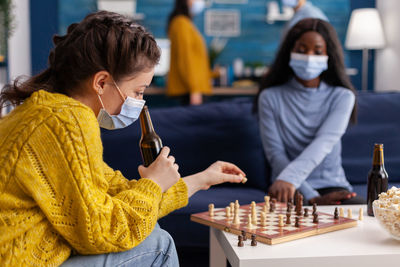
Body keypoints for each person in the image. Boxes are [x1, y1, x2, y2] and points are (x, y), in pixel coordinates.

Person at [0, 11, 247, 266]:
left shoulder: (49, 112)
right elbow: (102, 231)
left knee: (153, 234)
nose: (140, 103)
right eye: (138, 92)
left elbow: (114, 194)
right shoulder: (66, 121)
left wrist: (201, 179)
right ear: (101, 82)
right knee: (158, 245)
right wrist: (152, 184)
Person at [256, 18, 366, 205]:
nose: (309, 56)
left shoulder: (342, 97)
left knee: (364, 214)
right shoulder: (269, 97)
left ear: (328, 55)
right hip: (287, 187)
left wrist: (316, 196)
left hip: (332, 185)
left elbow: (324, 142)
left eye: (317, 51)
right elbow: (275, 154)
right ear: (289, 52)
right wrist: (311, 196)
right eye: (301, 50)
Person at [167, 0, 214, 106]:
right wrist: (194, 89)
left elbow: (195, 61)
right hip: (190, 91)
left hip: (193, 89)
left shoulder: (185, 23)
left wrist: (213, 74)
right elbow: (186, 59)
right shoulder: (181, 23)